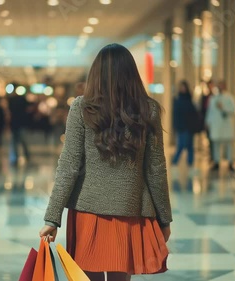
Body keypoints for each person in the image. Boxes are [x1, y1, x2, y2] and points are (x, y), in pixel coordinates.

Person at [40, 43, 172, 281]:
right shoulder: (147, 109)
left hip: (87, 211)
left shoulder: (82, 107)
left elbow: (69, 164)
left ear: (96, 74)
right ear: (132, 73)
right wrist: (164, 218)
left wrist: (53, 216)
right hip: (129, 210)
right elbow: (155, 170)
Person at [206, 81, 235, 172]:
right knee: (216, 144)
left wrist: (223, 108)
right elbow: (210, 112)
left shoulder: (229, 98)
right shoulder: (213, 99)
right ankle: (216, 162)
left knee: (228, 145)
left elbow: (233, 110)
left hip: (226, 125)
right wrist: (208, 122)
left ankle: (230, 162)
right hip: (216, 125)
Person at [171, 80, 201, 174]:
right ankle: (175, 162)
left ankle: (190, 164)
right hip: (181, 126)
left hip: (189, 126)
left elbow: (194, 113)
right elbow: (175, 114)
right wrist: (175, 126)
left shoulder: (190, 100)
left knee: (189, 146)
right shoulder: (177, 100)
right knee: (181, 145)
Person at [8, 88, 31, 165]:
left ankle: (15, 158)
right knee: (23, 141)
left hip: (15, 124)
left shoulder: (11, 100)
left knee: (15, 141)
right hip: (21, 123)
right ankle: (26, 156)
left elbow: (9, 113)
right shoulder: (22, 99)